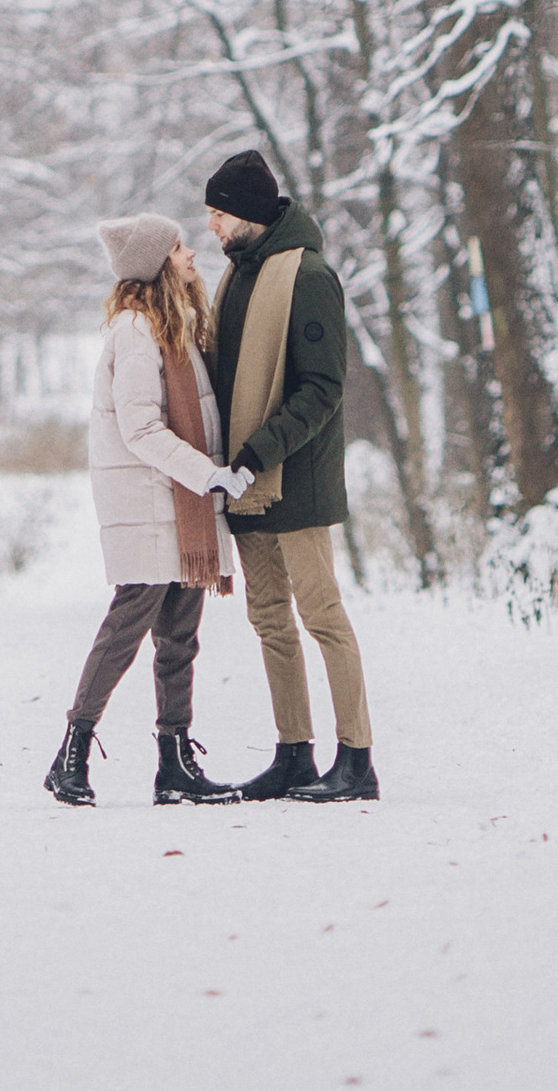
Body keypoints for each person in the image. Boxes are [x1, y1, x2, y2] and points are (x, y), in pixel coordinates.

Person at [45, 213, 253, 809]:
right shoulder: (137, 332)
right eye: (180, 248)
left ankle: (175, 763)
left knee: (179, 639)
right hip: (150, 505)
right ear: (158, 263)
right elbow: (140, 428)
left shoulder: (177, 328)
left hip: (182, 507)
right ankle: (71, 755)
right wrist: (207, 474)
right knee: (126, 630)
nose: (191, 256)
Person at [203, 147, 379, 803]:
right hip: (246, 480)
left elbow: (324, 387)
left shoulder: (308, 276)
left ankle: (356, 758)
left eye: (220, 214)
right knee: (269, 618)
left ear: (249, 214)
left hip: (293, 478)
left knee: (322, 614)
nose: (213, 227)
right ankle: (294, 753)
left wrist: (256, 454)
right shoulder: (239, 277)